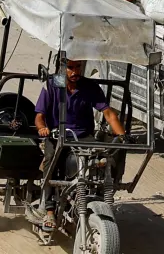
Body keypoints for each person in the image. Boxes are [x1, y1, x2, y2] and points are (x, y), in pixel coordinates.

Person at [33, 58, 126, 228]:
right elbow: (39, 116)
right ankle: (49, 210)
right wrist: (42, 128)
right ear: (62, 67)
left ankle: (104, 190)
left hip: (83, 136)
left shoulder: (89, 87)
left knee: (106, 155)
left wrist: (122, 136)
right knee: (51, 159)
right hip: (57, 134)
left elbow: (108, 113)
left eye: (78, 67)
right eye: (70, 67)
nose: (75, 72)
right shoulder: (53, 84)